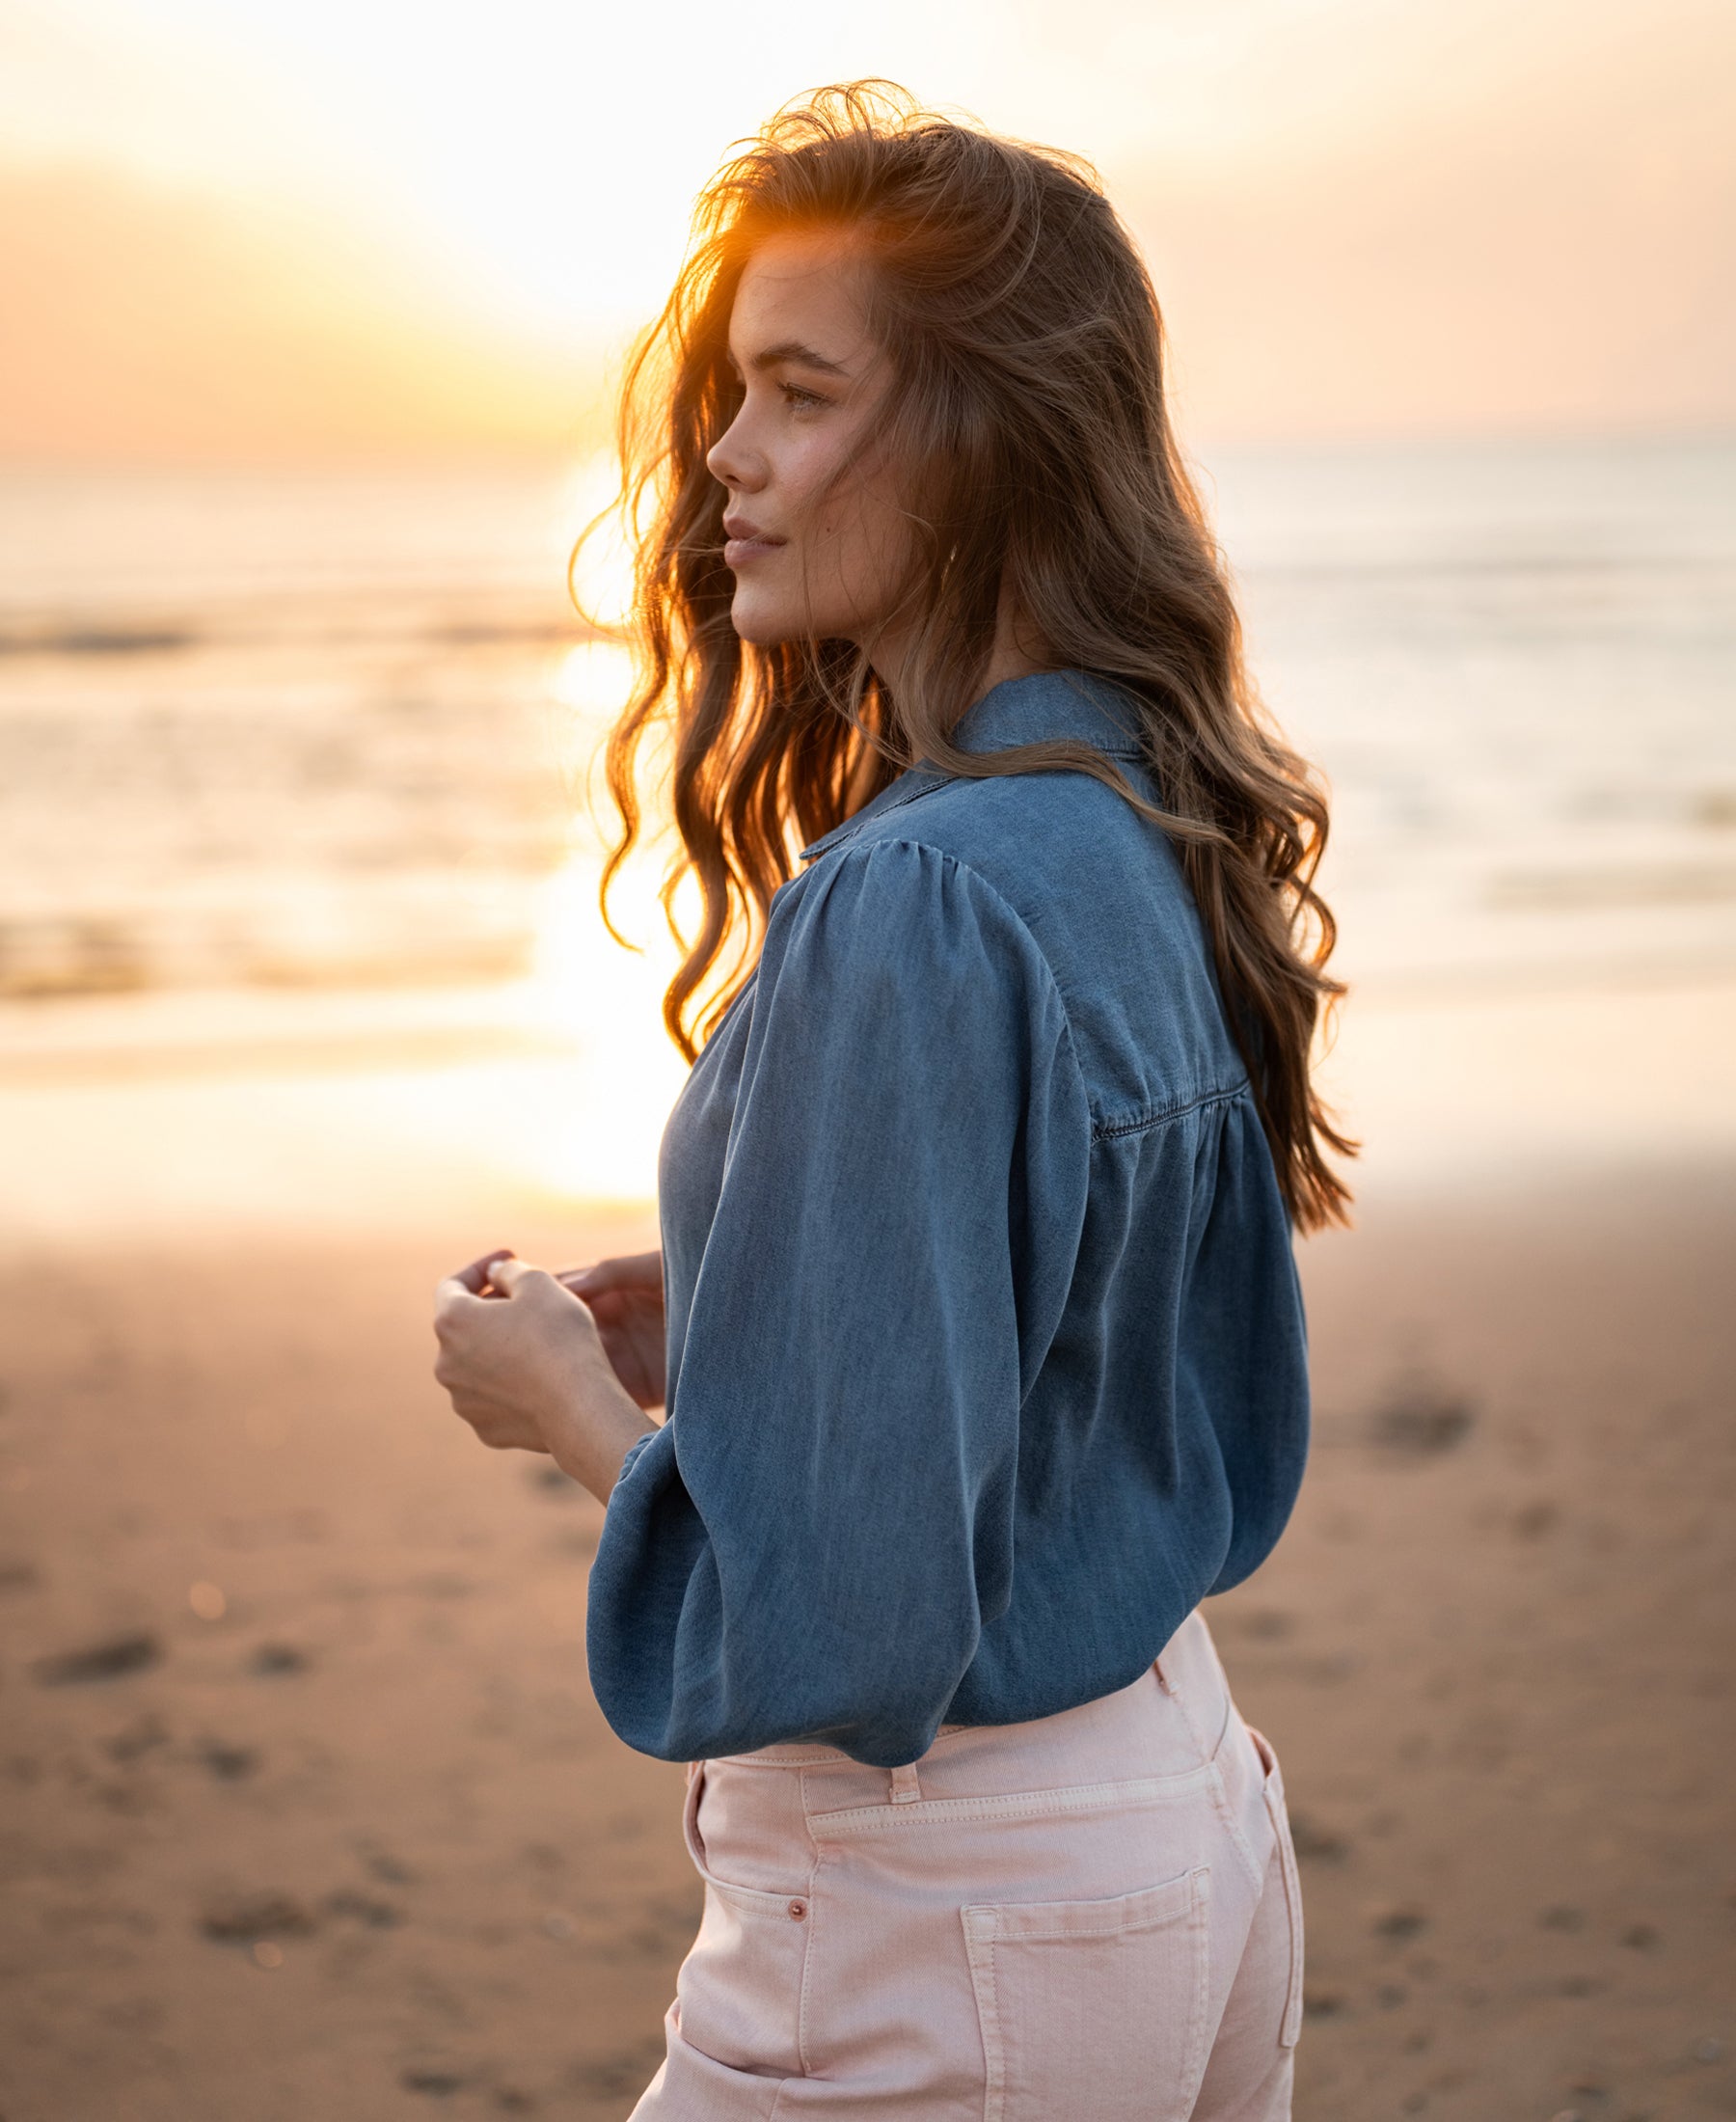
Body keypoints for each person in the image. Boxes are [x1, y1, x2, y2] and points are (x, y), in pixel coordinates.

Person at [432, 81, 1352, 2121]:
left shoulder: (918, 893)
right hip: (1179, 1808)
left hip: (946, 1907)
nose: (726, 465)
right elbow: (1083, 1310)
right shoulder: (1134, 803)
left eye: (797, 392)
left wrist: (571, 1410)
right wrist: (758, 1292)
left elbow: (845, 1617)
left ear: (977, 442)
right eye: (733, 395)